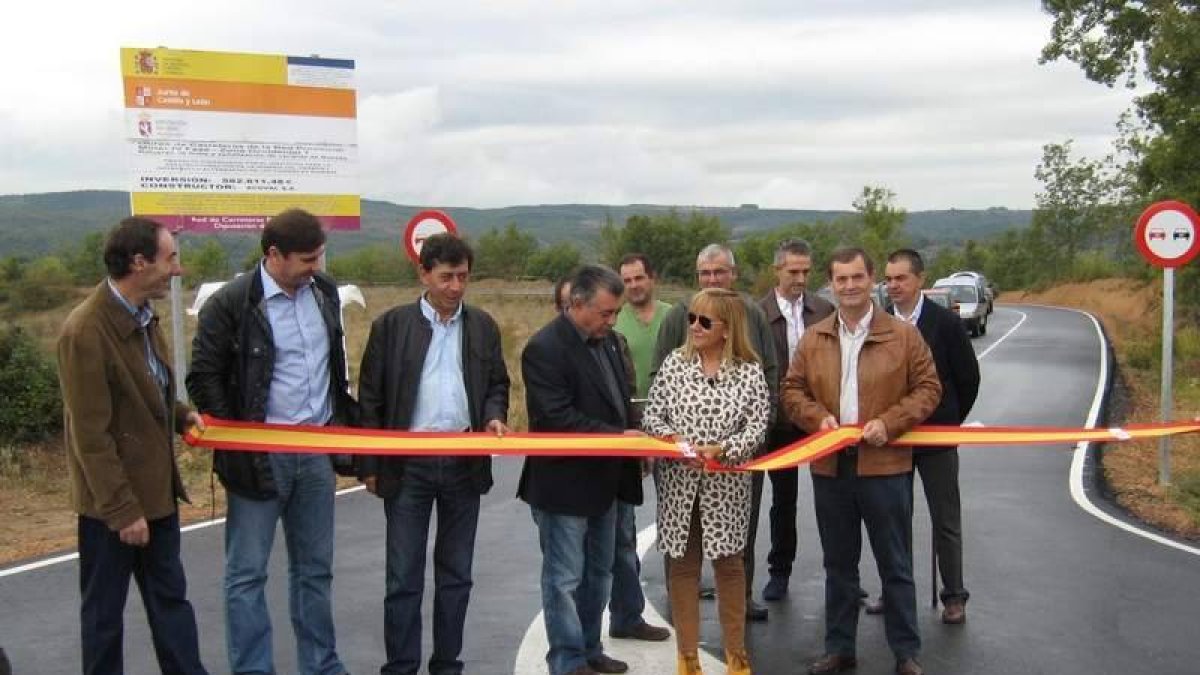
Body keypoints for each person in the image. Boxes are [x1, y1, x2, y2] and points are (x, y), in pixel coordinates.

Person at [187, 208, 356, 675]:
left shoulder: (323, 294)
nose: (316, 267)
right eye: (306, 259)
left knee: (315, 571)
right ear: (273, 255)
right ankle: (253, 669)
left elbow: (334, 368)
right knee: (247, 575)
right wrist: (236, 438)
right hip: (258, 457)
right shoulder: (232, 303)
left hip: (316, 453)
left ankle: (321, 665)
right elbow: (203, 378)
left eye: (319, 256)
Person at [57, 217, 208, 675]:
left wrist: (183, 416)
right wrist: (122, 510)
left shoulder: (144, 316)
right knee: (105, 617)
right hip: (112, 507)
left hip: (156, 496)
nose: (177, 270)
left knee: (171, 605)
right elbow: (91, 435)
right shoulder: (84, 331)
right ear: (139, 262)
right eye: (171, 259)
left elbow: (149, 389)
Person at [356, 234, 512, 675]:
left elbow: (496, 383)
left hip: (465, 463)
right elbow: (371, 398)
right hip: (408, 466)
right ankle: (401, 666)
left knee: (456, 575)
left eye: (463, 277)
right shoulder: (391, 326)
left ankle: (447, 665)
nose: (456, 287)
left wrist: (493, 415)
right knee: (403, 576)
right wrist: (369, 465)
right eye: (446, 277)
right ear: (423, 274)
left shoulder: (482, 326)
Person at [781, 247, 941, 675]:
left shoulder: (903, 335)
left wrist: (890, 423)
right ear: (830, 284)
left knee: (895, 564)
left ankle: (906, 653)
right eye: (840, 280)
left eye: (856, 278)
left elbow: (928, 389)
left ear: (872, 280)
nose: (849, 286)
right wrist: (818, 419)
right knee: (838, 565)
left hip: (886, 466)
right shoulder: (814, 337)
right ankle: (840, 648)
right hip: (832, 467)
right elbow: (791, 392)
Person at [519, 265, 641, 675]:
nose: (612, 320)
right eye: (606, 312)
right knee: (564, 579)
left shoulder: (604, 341)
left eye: (615, 313)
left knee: (599, 574)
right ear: (576, 304)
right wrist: (617, 437)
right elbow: (557, 418)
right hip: (563, 484)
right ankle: (567, 659)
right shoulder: (544, 349)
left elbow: (617, 400)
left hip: (605, 481)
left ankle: (590, 648)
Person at [643, 288, 770, 675]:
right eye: (691, 318)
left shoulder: (749, 371)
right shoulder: (674, 365)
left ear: (727, 330)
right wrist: (677, 443)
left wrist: (726, 448)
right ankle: (687, 658)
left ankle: (737, 657)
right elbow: (652, 416)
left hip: (726, 485)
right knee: (682, 567)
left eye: (704, 321)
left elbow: (759, 424)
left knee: (730, 566)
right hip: (679, 484)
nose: (694, 326)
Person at [653, 243, 777, 622]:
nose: (712, 279)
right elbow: (659, 375)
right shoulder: (679, 315)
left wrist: (750, 440)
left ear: (733, 275)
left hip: (737, 459)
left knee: (740, 536)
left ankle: (743, 597)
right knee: (680, 542)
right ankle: (681, 600)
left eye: (719, 272)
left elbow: (769, 374)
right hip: (682, 464)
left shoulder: (752, 314)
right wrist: (674, 443)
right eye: (705, 274)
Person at [862, 249, 980, 624]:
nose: (894, 286)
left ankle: (954, 596)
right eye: (889, 279)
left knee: (945, 518)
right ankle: (895, 591)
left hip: (936, 438)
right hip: (891, 439)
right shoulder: (876, 324)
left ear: (920, 280)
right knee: (894, 519)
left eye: (902, 278)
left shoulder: (945, 323)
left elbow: (968, 379)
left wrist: (949, 422)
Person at [758, 239, 834, 602]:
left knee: (834, 500)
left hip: (823, 423)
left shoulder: (825, 310)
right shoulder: (758, 314)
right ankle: (779, 571)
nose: (801, 278)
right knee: (783, 501)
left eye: (806, 271)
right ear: (777, 271)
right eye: (793, 271)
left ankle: (841, 573)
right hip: (779, 425)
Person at [607, 254, 673, 643]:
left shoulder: (674, 316)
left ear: (653, 278)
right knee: (624, 525)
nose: (633, 286)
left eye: (638, 278)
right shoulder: (615, 320)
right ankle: (626, 609)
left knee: (675, 511)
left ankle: (677, 581)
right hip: (629, 427)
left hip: (670, 425)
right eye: (626, 280)